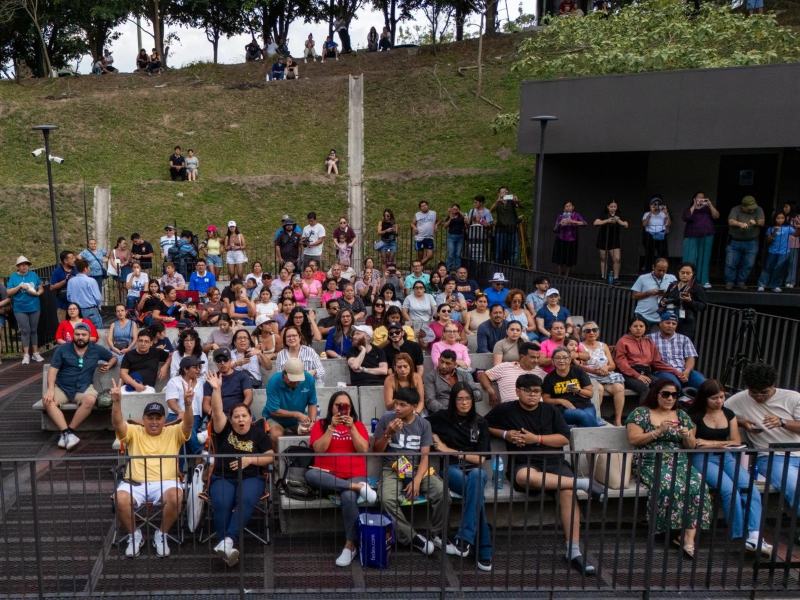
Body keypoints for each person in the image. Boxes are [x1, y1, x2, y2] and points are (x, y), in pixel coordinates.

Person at [486, 374, 595, 575]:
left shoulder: (551, 410)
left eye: (536, 391)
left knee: (568, 493)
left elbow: (563, 438)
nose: (533, 395)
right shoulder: (506, 409)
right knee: (524, 477)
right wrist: (505, 434)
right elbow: (483, 425)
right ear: (518, 391)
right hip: (524, 463)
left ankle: (574, 552)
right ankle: (583, 484)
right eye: (527, 391)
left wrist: (536, 439)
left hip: (554, 462)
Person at [626, 379, 711, 559]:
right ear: (656, 394)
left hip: (679, 460)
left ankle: (687, 538)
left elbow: (691, 445)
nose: (670, 398)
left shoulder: (681, 415)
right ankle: (666, 529)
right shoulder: (641, 413)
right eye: (665, 394)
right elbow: (634, 440)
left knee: (698, 486)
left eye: (674, 395)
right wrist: (658, 431)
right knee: (669, 485)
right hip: (650, 459)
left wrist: (687, 435)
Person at [688, 379, 772, 556]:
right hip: (702, 458)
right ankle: (740, 536)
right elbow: (693, 444)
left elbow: (736, 442)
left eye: (721, 397)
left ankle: (755, 535)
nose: (719, 401)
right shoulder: (695, 415)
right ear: (704, 399)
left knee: (750, 489)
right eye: (714, 398)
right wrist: (716, 445)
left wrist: (712, 443)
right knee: (729, 491)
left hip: (726, 456)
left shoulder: (729, 414)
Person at [111, 378, 192, 558]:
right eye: (150, 418)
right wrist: (117, 402)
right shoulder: (134, 430)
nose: (154, 422)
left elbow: (188, 424)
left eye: (158, 418)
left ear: (164, 419)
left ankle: (161, 534)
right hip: (136, 483)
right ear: (144, 419)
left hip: (167, 482)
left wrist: (187, 404)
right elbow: (118, 424)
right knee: (120, 498)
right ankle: (135, 535)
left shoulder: (173, 431)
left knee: (176, 496)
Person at [205, 370, 273, 566]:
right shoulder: (223, 429)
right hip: (223, 476)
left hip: (251, 478)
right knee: (222, 502)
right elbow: (217, 412)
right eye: (236, 416)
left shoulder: (259, 433)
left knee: (245, 499)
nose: (241, 420)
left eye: (244, 416)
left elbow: (270, 457)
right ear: (231, 419)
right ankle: (228, 546)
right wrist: (216, 390)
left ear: (251, 418)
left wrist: (250, 460)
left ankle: (227, 541)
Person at [374, 388, 451, 556]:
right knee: (386, 499)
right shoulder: (387, 419)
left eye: (403, 405)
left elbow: (425, 456)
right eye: (396, 403)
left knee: (442, 492)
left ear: (414, 406)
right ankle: (413, 537)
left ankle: (436, 534)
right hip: (392, 469)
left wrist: (417, 480)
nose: (397, 408)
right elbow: (376, 451)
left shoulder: (424, 424)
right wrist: (388, 432)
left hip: (418, 469)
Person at [725, 361, 800, 529]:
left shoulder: (792, 397)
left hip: (797, 451)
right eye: (754, 393)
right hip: (772, 456)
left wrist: (783, 422)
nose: (759, 397)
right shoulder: (738, 399)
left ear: (773, 385)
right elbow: (718, 414)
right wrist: (742, 422)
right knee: (795, 487)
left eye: (764, 392)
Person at [306, 391, 375, 567]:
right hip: (328, 474)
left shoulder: (358, 425)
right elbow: (318, 450)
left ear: (351, 409)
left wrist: (351, 428)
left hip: (355, 472)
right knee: (311, 474)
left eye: (346, 406)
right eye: (338, 405)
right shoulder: (321, 425)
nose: (342, 409)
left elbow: (363, 450)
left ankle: (350, 545)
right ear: (331, 407)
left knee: (347, 496)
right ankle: (357, 487)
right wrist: (331, 429)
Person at [428, 383, 493, 569]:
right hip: (452, 469)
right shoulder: (442, 418)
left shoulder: (480, 422)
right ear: (453, 400)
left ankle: (466, 539)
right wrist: (435, 438)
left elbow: (481, 460)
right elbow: (422, 424)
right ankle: (483, 549)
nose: (464, 403)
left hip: (474, 469)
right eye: (460, 399)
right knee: (477, 491)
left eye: (468, 399)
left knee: (478, 477)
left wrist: (449, 449)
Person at [43, 323, 115, 450]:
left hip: (84, 387)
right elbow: (53, 370)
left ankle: (69, 431)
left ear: (89, 336)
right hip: (63, 387)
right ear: (73, 336)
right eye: (77, 334)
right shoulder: (62, 349)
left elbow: (113, 357)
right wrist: (50, 389)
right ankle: (66, 432)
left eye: (83, 335)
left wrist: (109, 364)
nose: (80, 337)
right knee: (47, 401)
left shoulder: (96, 349)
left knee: (91, 400)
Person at [614, 316, 681, 402]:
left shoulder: (648, 341)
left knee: (664, 386)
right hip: (628, 374)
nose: (638, 329)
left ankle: (661, 413)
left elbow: (657, 362)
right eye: (635, 326)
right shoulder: (623, 341)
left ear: (645, 328)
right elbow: (621, 362)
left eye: (641, 326)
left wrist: (675, 371)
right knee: (645, 389)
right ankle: (641, 415)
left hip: (646, 373)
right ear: (630, 328)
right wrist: (637, 375)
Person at [264, 358, 318, 451]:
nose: (296, 383)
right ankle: (278, 463)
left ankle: (304, 462)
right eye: (292, 380)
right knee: (276, 435)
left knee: (313, 433)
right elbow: (273, 411)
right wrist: (296, 414)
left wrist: (312, 422)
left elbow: (312, 403)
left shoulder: (309, 379)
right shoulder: (274, 381)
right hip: (275, 419)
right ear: (284, 374)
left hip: (296, 420)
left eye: (298, 381)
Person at [579, 322, 626, 426]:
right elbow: (580, 366)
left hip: (606, 375)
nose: (591, 332)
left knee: (619, 387)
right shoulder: (580, 346)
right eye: (588, 331)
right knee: (598, 388)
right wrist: (595, 370)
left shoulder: (603, 345)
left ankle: (618, 420)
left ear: (598, 332)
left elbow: (612, 365)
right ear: (582, 334)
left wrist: (606, 367)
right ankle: (596, 418)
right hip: (589, 375)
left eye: (594, 330)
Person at [542, 347, 601, 427]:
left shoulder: (579, 372)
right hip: (563, 409)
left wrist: (578, 390)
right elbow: (545, 399)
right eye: (558, 358)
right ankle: (597, 432)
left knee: (586, 416)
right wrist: (562, 401)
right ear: (553, 361)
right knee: (582, 415)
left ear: (569, 360)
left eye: (565, 358)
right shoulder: (549, 378)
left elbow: (590, 394)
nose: (561, 361)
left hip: (585, 405)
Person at [647, 312, 705, 390]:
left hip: (683, 371)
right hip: (663, 371)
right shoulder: (649, 338)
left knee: (704, 385)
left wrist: (687, 371)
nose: (670, 326)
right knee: (675, 386)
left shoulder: (684, 339)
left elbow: (690, 358)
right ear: (660, 323)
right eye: (667, 323)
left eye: (673, 324)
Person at [7, 256, 44, 364]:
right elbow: (8, 292)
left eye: (26, 264)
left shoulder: (33, 275)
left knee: (33, 330)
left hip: (34, 306)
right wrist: (19, 287)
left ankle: (36, 353)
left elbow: (40, 287)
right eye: (22, 264)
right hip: (20, 308)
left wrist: (38, 293)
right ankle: (26, 354)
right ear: (18, 267)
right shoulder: (13, 277)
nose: (24, 266)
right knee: (25, 331)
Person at [657, 262, 706, 341]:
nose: (685, 275)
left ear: (692, 274)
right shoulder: (673, 285)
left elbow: (702, 306)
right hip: (670, 319)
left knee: (682, 343)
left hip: (685, 322)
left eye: (688, 273)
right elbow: (664, 299)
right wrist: (662, 302)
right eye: (682, 272)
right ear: (678, 273)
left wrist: (690, 301)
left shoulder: (697, 287)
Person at [725, 195, 765, 289]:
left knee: (748, 264)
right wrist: (740, 224)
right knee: (731, 263)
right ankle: (729, 281)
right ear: (743, 206)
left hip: (752, 242)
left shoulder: (758, 209)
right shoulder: (735, 209)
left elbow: (762, 222)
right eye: (749, 209)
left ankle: (741, 281)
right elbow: (730, 221)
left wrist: (755, 222)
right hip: (735, 241)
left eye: (753, 208)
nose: (752, 210)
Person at [681, 192, 719, 289]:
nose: (701, 199)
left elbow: (716, 216)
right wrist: (694, 205)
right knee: (690, 258)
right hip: (691, 236)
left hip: (707, 236)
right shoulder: (690, 208)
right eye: (699, 198)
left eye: (703, 198)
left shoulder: (707, 209)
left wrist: (710, 204)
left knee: (704, 258)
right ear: (694, 199)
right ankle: (688, 281)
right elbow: (686, 217)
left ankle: (704, 280)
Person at [756, 210, 799, 293]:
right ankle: (762, 284)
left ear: (785, 219)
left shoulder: (788, 228)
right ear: (774, 219)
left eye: (782, 218)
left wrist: (798, 228)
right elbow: (768, 241)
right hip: (772, 251)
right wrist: (774, 232)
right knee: (768, 268)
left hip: (784, 252)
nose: (780, 220)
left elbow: (796, 234)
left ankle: (775, 285)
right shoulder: (771, 228)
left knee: (779, 269)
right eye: (778, 218)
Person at [631, 258, 676, 330]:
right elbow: (634, 296)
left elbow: (675, 294)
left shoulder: (672, 278)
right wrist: (648, 293)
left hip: (662, 316)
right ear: (653, 267)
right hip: (643, 315)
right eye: (659, 270)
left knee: (659, 340)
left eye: (664, 270)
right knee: (641, 339)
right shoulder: (643, 278)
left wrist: (666, 294)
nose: (661, 273)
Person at [593, 200, 628, 284]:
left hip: (614, 240)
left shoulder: (619, 215)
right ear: (608, 207)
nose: (613, 208)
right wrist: (607, 220)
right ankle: (603, 277)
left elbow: (626, 224)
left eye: (614, 206)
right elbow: (595, 223)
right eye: (611, 206)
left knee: (617, 259)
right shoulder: (603, 214)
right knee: (603, 259)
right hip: (603, 239)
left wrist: (618, 221)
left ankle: (616, 278)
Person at [552, 201, 587, 276]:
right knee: (559, 259)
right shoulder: (560, 216)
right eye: (566, 206)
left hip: (571, 240)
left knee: (569, 259)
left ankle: (566, 276)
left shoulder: (576, 215)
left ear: (573, 207)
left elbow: (584, 223)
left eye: (569, 206)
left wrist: (572, 221)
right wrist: (560, 224)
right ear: (564, 208)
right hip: (560, 239)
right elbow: (554, 229)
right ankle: (559, 275)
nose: (568, 208)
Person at [66, 259, 103, 330]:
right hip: (90, 310)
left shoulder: (71, 281)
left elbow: (69, 297)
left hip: (76, 311)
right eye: (89, 267)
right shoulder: (91, 281)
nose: (89, 269)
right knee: (97, 331)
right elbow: (98, 298)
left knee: (80, 333)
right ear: (85, 269)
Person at [491, 187, 521, 265]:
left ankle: (513, 268)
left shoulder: (511, 202)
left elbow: (518, 206)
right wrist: (497, 201)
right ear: (499, 194)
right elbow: (491, 210)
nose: (505, 193)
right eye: (503, 192)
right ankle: (498, 269)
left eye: (506, 192)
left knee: (514, 251)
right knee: (499, 251)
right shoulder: (498, 203)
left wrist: (516, 201)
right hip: (501, 230)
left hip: (512, 229)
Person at [641, 196, 671, 272]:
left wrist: (666, 213)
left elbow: (668, 224)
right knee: (649, 253)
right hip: (650, 235)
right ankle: (648, 269)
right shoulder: (647, 214)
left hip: (660, 234)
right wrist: (651, 212)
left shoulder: (663, 214)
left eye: (658, 204)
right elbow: (644, 224)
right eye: (654, 204)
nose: (656, 206)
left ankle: (662, 269)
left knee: (662, 253)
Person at [51, 250, 77, 322]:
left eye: (74, 258)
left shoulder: (76, 270)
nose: (74, 260)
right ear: (65, 260)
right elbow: (52, 287)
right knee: (63, 326)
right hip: (62, 306)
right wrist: (65, 281)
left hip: (76, 305)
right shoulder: (57, 271)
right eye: (71, 258)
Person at [466, 195, 493, 262]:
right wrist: (466, 221)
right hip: (472, 236)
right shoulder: (472, 211)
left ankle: (481, 269)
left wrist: (480, 220)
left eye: (476, 202)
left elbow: (489, 225)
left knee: (481, 255)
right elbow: (469, 223)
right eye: (474, 202)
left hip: (482, 237)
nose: (474, 204)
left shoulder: (487, 212)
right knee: (471, 256)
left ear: (481, 203)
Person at [412, 200, 438, 267]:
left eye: (425, 205)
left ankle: (417, 266)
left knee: (430, 255)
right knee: (420, 256)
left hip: (429, 237)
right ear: (420, 208)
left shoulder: (433, 213)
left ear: (428, 205)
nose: (424, 207)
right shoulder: (417, 214)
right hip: (419, 238)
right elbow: (412, 223)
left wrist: (436, 225)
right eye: (422, 206)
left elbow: (439, 220)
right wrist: (414, 227)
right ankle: (421, 270)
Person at [441, 204, 467, 271]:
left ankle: (457, 269)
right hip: (451, 237)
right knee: (451, 253)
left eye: (456, 209)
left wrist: (460, 212)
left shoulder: (461, 216)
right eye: (453, 209)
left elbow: (467, 222)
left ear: (458, 209)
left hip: (460, 237)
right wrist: (450, 218)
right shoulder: (449, 216)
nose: (455, 210)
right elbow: (445, 226)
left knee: (458, 254)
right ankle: (448, 269)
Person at [782, 202, 800, 288]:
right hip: (782, 243)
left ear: (791, 207)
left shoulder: (797, 217)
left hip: (793, 242)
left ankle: (791, 282)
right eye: (784, 207)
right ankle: (783, 280)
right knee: (782, 262)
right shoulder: (783, 217)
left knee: (792, 263)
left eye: (786, 207)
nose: (784, 208)